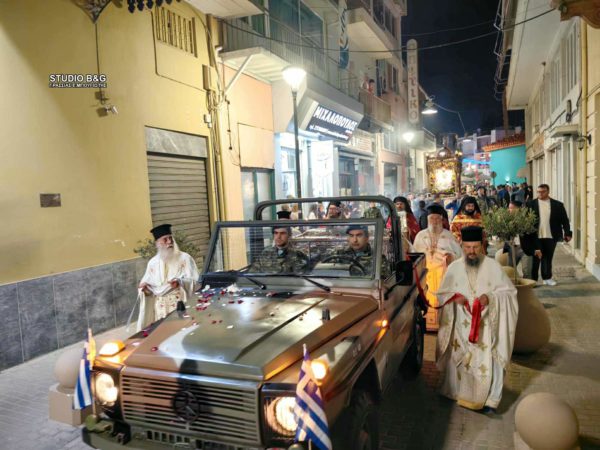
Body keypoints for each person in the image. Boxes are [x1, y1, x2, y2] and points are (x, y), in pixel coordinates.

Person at [436, 226, 518, 412]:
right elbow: (442, 294)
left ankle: (490, 399)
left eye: (475, 247)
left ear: (482, 245)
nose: (471, 252)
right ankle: (458, 392)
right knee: (460, 359)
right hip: (460, 324)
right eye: (467, 247)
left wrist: (490, 298)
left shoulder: (493, 266)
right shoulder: (454, 268)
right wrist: (454, 297)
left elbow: (509, 293)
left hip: (487, 326)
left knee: (491, 360)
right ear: (461, 245)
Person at [137, 224, 199, 331]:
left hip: (179, 305)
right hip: (160, 309)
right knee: (162, 333)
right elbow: (148, 290)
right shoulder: (153, 263)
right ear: (157, 243)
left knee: (180, 332)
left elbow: (195, 281)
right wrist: (145, 289)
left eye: (170, 238)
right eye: (165, 239)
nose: (169, 242)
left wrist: (180, 282)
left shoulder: (185, 258)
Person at [413, 204, 463, 313]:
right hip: (425, 275)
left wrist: (451, 257)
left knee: (443, 307)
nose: (434, 221)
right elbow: (414, 255)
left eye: (437, 218)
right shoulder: (420, 236)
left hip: (443, 276)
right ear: (427, 220)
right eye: (432, 218)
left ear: (441, 219)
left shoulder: (449, 236)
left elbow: (460, 256)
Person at [527, 184, 572, 286]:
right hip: (535, 236)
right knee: (535, 258)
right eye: (538, 192)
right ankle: (533, 280)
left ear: (548, 192)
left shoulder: (557, 205)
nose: (540, 194)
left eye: (542, 192)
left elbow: (565, 220)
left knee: (547, 258)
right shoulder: (530, 204)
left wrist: (567, 233)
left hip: (551, 235)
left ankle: (547, 278)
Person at [501, 200, 542, 278]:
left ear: (518, 209)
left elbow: (533, 235)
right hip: (512, 249)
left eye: (511, 208)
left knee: (527, 272)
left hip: (525, 249)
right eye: (509, 208)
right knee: (510, 271)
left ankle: (527, 285)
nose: (509, 210)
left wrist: (537, 248)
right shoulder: (506, 220)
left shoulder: (527, 220)